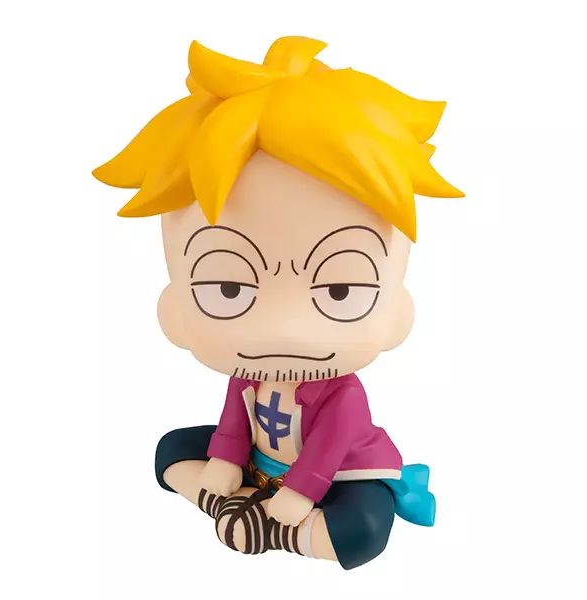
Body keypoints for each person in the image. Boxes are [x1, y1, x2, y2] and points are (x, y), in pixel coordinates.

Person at [93, 36, 463, 570]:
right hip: (260, 463)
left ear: (396, 309)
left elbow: (330, 446)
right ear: (175, 303)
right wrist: (225, 460)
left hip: (338, 474)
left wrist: (301, 493)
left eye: (339, 290)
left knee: (364, 530)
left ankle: (264, 527)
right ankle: (240, 510)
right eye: (229, 289)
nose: (283, 328)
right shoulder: (247, 372)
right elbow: (232, 420)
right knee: (169, 449)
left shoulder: (342, 395)